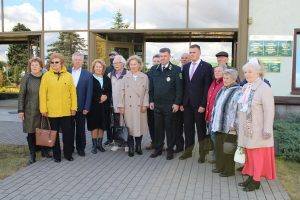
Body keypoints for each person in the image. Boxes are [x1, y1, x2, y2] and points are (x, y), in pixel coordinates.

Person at [237, 58, 276, 192]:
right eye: (246, 72)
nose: (247, 74)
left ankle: (256, 181)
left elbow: (269, 111)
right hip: (247, 129)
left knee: (257, 156)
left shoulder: (264, 88)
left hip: (258, 130)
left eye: (250, 72)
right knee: (250, 155)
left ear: (258, 73)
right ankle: (252, 176)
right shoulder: (246, 87)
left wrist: (267, 130)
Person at [39, 53, 77, 163]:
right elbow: (42, 94)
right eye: (52, 62)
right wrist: (43, 109)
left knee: (67, 133)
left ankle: (68, 154)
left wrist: (73, 107)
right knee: (54, 134)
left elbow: (73, 93)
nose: (54, 64)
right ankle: (57, 155)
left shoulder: (68, 75)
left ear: (61, 63)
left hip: (66, 110)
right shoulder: (46, 76)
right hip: (52, 111)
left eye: (56, 62)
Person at [179, 44, 213, 163]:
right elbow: (183, 86)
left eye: (194, 52)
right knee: (188, 129)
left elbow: (207, 88)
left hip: (199, 105)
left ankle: (202, 154)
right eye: (190, 52)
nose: (191, 54)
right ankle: (188, 152)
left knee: (201, 130)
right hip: (187, 103)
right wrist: (182, 102)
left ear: (199, 53)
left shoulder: (207, 67)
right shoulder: (186, 67)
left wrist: (203, 105)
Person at [149, 48, 183, 160]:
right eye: (161, 56)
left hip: (170, 104)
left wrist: (177, 103)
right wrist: (151, 101)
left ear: (169, 57)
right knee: (158, 127)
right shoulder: (154, 69)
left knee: (170, 128)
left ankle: (170, 150)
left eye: (165, 56)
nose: (162, 58)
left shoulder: (176, 70)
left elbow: (179, 89)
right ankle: (158, 149)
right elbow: (151, 88)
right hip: (157, 104)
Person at [18, 57, 52, 163]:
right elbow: (21, 95)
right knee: (31, 132)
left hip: (43, 109)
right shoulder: (26, 78)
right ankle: (32, 153)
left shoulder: (45, 77)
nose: (34, 67)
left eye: (36, 65)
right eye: (32, 65)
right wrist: (20, 110)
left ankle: (44, 150)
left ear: (41, 67)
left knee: (44, 130)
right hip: (30, 110)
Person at [210, 69, 242, 177]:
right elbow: (216, 106)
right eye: (224, 78)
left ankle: (229, 170)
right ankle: (220, 167)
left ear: (234, 79)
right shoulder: (222, 89)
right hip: (218, 124)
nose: (225, 80)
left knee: (228, 149)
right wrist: (212, 119)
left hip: (229, 126)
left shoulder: (238, 90)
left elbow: (238, 109)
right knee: (219, 148)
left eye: (227, 78)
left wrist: (234, 124)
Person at [118, 55, 149, 157]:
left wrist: (145, 104)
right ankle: (131, 147)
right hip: (128, 107)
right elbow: (121, 92)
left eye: (135, 64)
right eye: (131, 64)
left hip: (140, 107)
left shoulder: (144, 77)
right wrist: (121, 106)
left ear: (139, 65)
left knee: (138, 127)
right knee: (130, 128)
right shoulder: (125, 77)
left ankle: (138, 147)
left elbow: (147, 92)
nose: (133, 66)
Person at [67, 52, 93, 157]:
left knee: (80, 129)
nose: (77, 61)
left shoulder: (88, 75)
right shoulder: (66, 73)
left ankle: (81, 148)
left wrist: (87, 107)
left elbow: (89, 93)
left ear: (82, 62)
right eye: (76, 59)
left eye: (79, 60)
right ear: (72, 61)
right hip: (68, 107)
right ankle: (70, 147)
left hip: (82, 107)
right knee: (69, 129)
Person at [86, 59, 111, 154]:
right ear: (93, 68)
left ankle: (100, 145)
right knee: (94, 125)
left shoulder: (106, 78)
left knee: (102, 125)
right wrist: (98, 97)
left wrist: (106, 96)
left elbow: (110, 91)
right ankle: (94, 146)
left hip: (104, 106)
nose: (98, 68)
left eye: (100, 67)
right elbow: (88, 92)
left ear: (103, 68)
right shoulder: (90, 78)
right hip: (93, 106)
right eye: (96, 66)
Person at [108, 55, 129, 152]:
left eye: (118, 63)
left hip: (125, 105)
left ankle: (127, 144)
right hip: (114, 105)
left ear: (123, 64)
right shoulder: (110, 75)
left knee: (126, 124)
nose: (115, 65)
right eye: (114, 63)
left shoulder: (128, 74)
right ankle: (117, 143)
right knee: (116, 124)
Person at [145, 54, 166, 151]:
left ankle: (161, 144)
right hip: (150, 104)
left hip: (161, 104)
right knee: (152, 124)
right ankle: (153, 142)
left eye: (158, 61)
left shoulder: (163, 73)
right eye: (154, 61)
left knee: (160, 125)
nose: (156, 63)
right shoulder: (147, 75)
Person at [205, 65, 225, 164]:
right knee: (213, 138)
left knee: (217, 138)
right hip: (210, 116)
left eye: (219, 71)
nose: (216, 73)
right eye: (215, 71)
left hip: (217, 117)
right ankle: (216, 158)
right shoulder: (213, 82)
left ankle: (219, 159)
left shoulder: (224, 84)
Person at [174, 52, 191, 153]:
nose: (184, 59)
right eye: (182, 58)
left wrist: (183, 103)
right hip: (177, 104)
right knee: (177, 127)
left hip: (188, 105)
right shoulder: (177, 70)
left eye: (186, 58)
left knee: (188, 128)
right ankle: (179, 146)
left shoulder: (191, 71)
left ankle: (188, 148)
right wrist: (178, 103)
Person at [103, 51, 119, 146]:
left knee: (117, 120)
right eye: (111, 56)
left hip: (118, 99)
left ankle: (117, 138)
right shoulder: (107, 69)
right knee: (108, 119)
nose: (112, 57)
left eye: (114, 56)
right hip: (108, 99)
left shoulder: (121, 69)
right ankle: (109, 138)